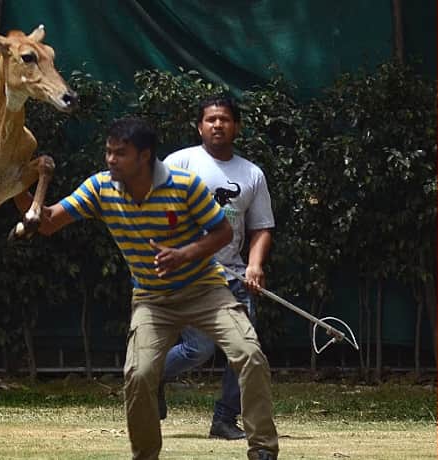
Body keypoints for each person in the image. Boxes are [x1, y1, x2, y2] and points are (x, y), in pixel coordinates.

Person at [15, 118, 278, 460]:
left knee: (249, 354)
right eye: (108, 152)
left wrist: (184, 254)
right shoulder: (100, 188)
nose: (110, 160)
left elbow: (222, 233)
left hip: (205, 292)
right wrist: (12, 189)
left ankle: (262, 450)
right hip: (152, 300)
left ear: (145, 156)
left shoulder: (184, 186)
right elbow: (47, 223)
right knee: (139, 375)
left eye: (120, 154)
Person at [158, 94, 276, 441]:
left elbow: (262, 227)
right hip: (191, 275)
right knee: (199, 349)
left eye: (224, 119)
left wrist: (254, 265)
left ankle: (224, 419)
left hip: (235, 277)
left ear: (235, 126)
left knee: (246, 351)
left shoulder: (251, 173)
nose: (217, 125)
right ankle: (151, 377)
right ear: (199, 126)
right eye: (210, 119)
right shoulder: (178, 163)